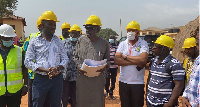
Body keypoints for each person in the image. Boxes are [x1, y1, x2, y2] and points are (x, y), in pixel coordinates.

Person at [24, 10, 68, 107]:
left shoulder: (59, 41)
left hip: (57, 80)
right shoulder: (34, 42)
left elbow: (65, 59)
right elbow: (27, 61)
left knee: (56, 104)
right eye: (50, 24)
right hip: (40, 80)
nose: (53, 27)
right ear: (43, 25)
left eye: (54, 24)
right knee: (37, 104)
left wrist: (57, 68)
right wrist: (45, 70)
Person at [74, 15, 110, 107]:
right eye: (86, 28)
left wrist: (104, 67)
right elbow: (75, 57)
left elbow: (108, 61)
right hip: (83, 78)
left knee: (97, 103)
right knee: (82, 103)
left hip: (97, 80)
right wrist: (78, 66)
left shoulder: (104, 43)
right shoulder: (80, 41)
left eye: (91, 28)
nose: (87, 30)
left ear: (98, 29)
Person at [114, 20, 149, 107]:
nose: (130, 32)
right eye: (128, 30)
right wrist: (136, 60)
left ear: (138, 32)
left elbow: (143, 60)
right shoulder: (122, 43)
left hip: (137, 83)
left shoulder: (143, 44)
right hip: (123, 82)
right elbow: (117, 60)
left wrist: (125, 57)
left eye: (132, 30)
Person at [146, 35, 185, 107]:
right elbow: (150, 78)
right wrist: (147, 95)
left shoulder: (174, 64)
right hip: (151, 102)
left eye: (156, 46)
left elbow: (179, 85)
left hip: (164, 104)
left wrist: (170, 104)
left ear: (164, 49)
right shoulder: (153, 61)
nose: (153, 48)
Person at [0, 24, 28, 107]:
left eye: (10, 38)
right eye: (6, 38)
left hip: (15, 92)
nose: (8, 40)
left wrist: (26, 85)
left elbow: (24, 69)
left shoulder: (19, 51)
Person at [62, 24, 81, 107]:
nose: (73, 35)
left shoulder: (82, 44)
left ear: (79, 34)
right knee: (64, 97)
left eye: (76, 33)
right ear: (69, 34)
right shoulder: (63, 43)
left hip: (77, 76)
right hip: (66, 76)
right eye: (72, 33)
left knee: (75, 98)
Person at [104, 35, 118, 100]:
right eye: (110, 38)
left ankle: (111, 93)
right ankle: (107, 90)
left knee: (113, 80)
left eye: (112, 38)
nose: (111, 39)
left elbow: (118, 55)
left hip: (114, 67)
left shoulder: (116, 46)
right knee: (106, 79)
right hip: (107, 66)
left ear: (114, 39)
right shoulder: (106, 46)